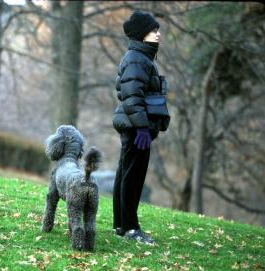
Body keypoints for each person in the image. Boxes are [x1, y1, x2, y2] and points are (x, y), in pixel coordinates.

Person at [112, 10, 169, 244]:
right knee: (133, 177)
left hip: (135, 126)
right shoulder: (137, 58)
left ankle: (120, 225)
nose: (158, 34)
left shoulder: (141, 57)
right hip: (137, 128)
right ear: (141, 33)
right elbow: (132, 96)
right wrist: (143, 128)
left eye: (157, 30)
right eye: (153, 30)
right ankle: (130, 228)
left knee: (125, 173)